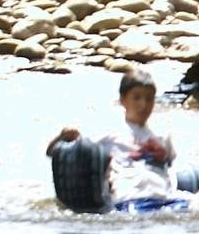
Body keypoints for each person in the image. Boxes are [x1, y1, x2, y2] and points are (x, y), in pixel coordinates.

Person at [45, 70, 186, 213]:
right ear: (123, 100)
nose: (143, 105)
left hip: (166, 200)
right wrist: (63, 136)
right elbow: (54, 152)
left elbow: (172, 172)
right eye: (137, 98)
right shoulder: (110, 134)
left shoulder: (163, 138)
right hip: (131, 200)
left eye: (149, 98)